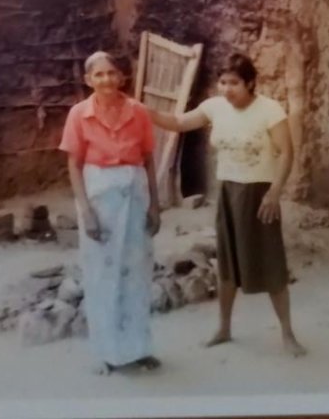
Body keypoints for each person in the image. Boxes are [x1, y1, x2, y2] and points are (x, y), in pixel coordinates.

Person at [149, 52, 306, 357]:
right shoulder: (214, 107)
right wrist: (146, 113)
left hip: (259, 195)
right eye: (222, 82)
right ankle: (223, 328)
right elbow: (180, 122)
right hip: (228, 193)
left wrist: (274, 193)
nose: (226, 89)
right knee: (227, 266)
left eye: (233, 83)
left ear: (250, 83)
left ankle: (287, 334)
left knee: (271, 265)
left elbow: (287, 153)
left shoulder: (269, 110)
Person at [59, 51, 162, 374]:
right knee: (102, 275)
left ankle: (138, 348)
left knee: (137, 272)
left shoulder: (139, 112)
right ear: (88, 80)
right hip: (99, 196)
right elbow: (73, 165)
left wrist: (155, 204)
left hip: (135, 194)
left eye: (112, 73)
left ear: (122, 77)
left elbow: (147, 160)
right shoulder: (79, 114)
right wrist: (85, 211)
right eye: (99, 74)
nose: (106, 80)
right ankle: (107, 353)